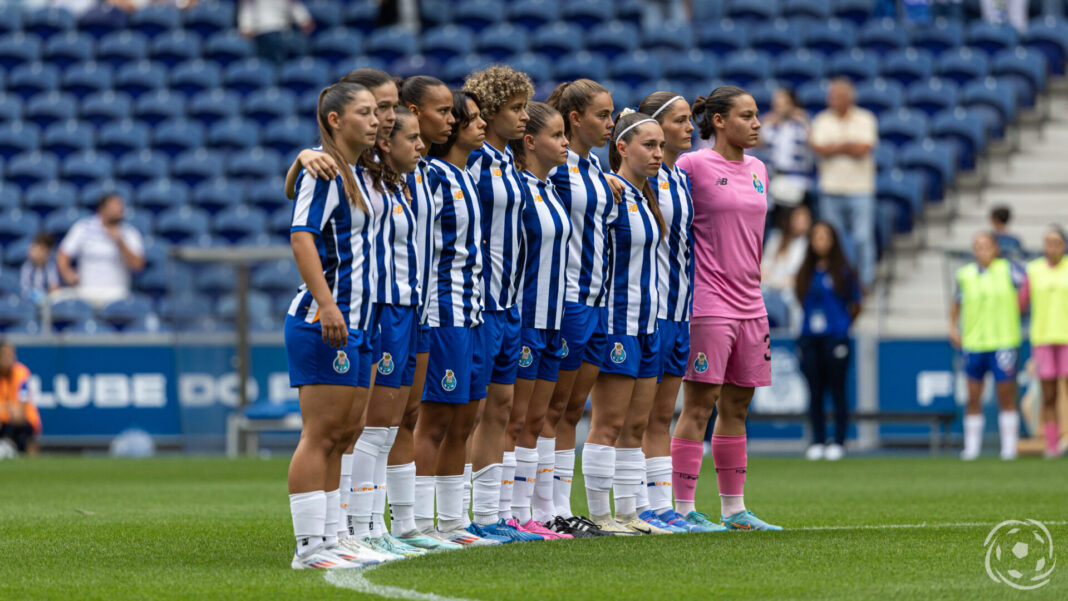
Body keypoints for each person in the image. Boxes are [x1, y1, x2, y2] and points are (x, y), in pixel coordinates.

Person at [671, 85, 782, 531]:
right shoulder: (691, 165)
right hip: (710, 301)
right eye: (747, 115)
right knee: (699, 406)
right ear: (719, 121)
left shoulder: (759, 169)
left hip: (752, 304)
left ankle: (734, 510)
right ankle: (680, 510)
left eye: (757, 116)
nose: (757, 124)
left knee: (738, 405)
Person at [284, 81, 381, 570]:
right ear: (335, 120)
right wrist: (326, 305)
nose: (376, 120)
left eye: (377, 112)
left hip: (359, 321)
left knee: (346, 433)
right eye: (364, 112)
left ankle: (331, 535)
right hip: (327, 320)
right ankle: (308, 547)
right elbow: (301, 238)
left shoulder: (357, 174)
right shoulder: (322, 173)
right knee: (321, 434)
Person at [415, 90, 505, 547]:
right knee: (434, 420)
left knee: (464, 421)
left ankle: (452, 521)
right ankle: (418, 521)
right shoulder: (430, 175)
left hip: (473, 313)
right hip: (443, 310)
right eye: (464, 118)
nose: (474, 125)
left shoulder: (467, 175)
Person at [460, 66, 543, 543]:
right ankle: (458, 512)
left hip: (509, 303)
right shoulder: (472, 161)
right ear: (489, 112)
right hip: (478, 302)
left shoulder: (506, 163)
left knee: (502, 408)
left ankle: (490, 513)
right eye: (514, 108)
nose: (523, 117)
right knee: (469, 411)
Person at [581, 109, 671, 536]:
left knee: (637, 425)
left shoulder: (644, 196)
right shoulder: (607, 193)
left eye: (660, 146)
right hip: (617, 322)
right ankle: (600, 516)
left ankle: (631, 513)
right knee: (609, 423)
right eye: (648, 146)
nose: (658, 154)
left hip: (648, 323)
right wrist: (602, 178)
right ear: (621, 148)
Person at [633, 91, 716, 534]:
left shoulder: (680, 178)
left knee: (663, 413)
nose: (690, 127)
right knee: (638, 416)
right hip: (646, 307)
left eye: (690, 120)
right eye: (681, 121)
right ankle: (639, 506)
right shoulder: (632, 179)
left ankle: (665, 506)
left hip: (680, 306)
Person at [541, 79, 619, 537]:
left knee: (571, 411)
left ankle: (558, 505)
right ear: (575, 119)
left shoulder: (594, 172)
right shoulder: (556, 168)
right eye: (602, 115)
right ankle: (539, 506)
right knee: (548, 411)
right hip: (566, 300)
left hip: (596, 301)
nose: (610, 123)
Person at [391, 75, 463, 552]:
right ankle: (363, 526)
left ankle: (406, 524)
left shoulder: (430, 174)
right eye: (443, 111)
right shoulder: (377, 173)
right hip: (389, 308)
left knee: (408, 416)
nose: (452, 120)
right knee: (381, 423)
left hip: (420, 309)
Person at [506, 101, 578, 539]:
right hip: (526, 317)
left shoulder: (552, 188)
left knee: (536, 421)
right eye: (556, 134)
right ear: (530, 142)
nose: (565, 141)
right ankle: (504, 513)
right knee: (513, 420)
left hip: (554, 319)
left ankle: (529, 512)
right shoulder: (514, 189)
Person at [949, 232, 1023, 461]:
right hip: (974, 342)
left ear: (996, 248)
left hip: (1003, 341)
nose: (981, 250)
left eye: (985, 245)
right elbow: (956, 303)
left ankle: (1009, 446)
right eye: (977, 246)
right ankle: (972, 447)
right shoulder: (965, 275)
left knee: (1006, 394)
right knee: (973, 395)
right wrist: (952, 328)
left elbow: (1029, 290)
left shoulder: (1010, 270)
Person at [794, 222, 862, 461]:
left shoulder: (843, 270)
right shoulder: (806, 270)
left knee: (838, 389)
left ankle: (840, 440)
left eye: (825, 237)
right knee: (814, 391)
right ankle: (818, 440)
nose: (820, 241)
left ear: (833, 241)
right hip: (810, 338)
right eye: (816, 237)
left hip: (836, 337)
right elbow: (800, 298)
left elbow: (856, 302)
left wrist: (842, 325)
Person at [809, 78, 878, 290]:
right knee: (833, 240)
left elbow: (863, 149)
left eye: (838, 96)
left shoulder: (865, 118)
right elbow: (819, 149)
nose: (833, 100)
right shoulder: (822, 120)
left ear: (849, 97)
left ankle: (864, 282)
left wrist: (835, 147)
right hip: (830, 189)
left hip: (860, 189)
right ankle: (838, 281)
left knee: (862, 238)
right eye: (831, 96)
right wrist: (848, 145)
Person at [1022, 227, 1068, 458]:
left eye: (1056, 242)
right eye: (1047, 242)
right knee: (1049, 395)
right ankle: (1052, 444)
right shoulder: (1033, 270)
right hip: (1043, 339)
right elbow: (1021, 303)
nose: (1051, 246)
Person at [57, 193, 145, 309]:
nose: (120, 209)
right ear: (102, 209)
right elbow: (63, 254)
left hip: (117, 294)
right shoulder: (83, 228)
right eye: (115, 206)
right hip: (87, 292)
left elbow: (138, 265)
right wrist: (67, 273)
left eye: (121, 206)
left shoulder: (129, 232)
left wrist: (120, 243)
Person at [760, 89, 814, 213]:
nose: (778, 108)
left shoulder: (802, 124)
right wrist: (763, 122)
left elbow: (813, 144)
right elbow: (758, 144)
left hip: (797, 180)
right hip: (775, 179)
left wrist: (804, 119)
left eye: (783, 103)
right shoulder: (770, 125)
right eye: (776, 104)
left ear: (792, 104)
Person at [761, 205, 812, 329]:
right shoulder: (775, 239)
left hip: (791, 295)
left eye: (805, 219)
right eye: (798, 218)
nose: (801, 223)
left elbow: (795, 277)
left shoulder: (808, 245)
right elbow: (763, 268)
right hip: (766, 290)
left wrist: (777, 282)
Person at [238, 0, 316, 65]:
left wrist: (304, 20)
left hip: (283, 33)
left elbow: (297, 10)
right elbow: (246, 13)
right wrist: (246, 28)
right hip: (263, 33)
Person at [0, 340, 41, 457]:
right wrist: (8, 408)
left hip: (23, 424)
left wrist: (3, 409)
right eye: (5, 355)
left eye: (11, 354)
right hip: (4, 421)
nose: (10, 358)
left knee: (17, 430)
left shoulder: (21, 373)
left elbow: (20, 414)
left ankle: (8, 446)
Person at [20, 233, 61, 305]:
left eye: (38, 249)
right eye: (33, 248)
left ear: (47, 252)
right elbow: (25, 290)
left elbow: (54, 288)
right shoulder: (26, 268)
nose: (33, 252)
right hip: (30, 303)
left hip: (47, 303)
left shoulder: (51, 268)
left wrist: (47, 298)